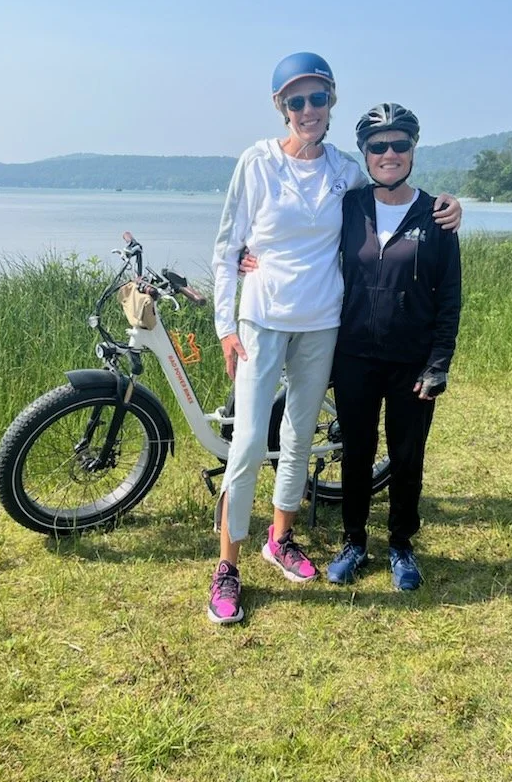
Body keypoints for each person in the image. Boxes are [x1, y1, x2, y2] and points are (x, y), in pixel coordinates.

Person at [209, 55, 461, 624]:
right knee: (249, 442)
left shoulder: (345, 171)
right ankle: (227, 565)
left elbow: (395, 192)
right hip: (262, 321)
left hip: (324, 323)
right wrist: (226, 324)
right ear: (281, 107)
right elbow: (228, 248)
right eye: (295, 101)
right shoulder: (255, 162)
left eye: (317, 99)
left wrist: (451, 206)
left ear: (331, 102)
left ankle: (281, 538)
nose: (307, 111)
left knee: (299, 438)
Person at [326, 103, 462, 590]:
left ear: (413, 150)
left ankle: (401, 545)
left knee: (407, 457)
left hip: (412, 362)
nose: (389, 154)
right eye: (378, 146)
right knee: (357, 454)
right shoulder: (349, 207)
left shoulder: (437, 215)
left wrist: (438, 363)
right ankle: (354, 541)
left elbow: (449, 297)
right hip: (354, 356)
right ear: (364, 153)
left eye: (400, 144)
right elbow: (299, 241)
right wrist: (250, 256)